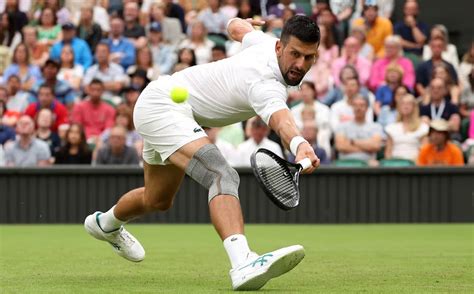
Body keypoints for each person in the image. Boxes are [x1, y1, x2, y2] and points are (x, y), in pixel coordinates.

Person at [84, 15, 320, 291]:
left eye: (308, 57)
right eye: (295, 54)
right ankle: (242, 261)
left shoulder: (262, 42)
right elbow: (282, 121)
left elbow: (235, 26)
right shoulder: (265, 84)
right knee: (221, 174)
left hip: (169, 107)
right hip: (163, 106)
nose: (300, 65)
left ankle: (105, 224)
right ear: (279, 47)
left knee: (157, 199)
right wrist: (299, 144)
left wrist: (242, 21)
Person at [334, 94, 383, 164]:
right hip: (345, 165)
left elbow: (376, 145)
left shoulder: (376, 127)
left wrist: (352, 142)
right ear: (352, 107)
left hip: (368, 165)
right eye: (355, 105)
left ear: (367, 108)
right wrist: (367, 147)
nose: (358, 108)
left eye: (362, 105)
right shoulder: (342, 126)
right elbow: (341, 146)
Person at [291, 81, 331, 155]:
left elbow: (325, 126)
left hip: (319, 138)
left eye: (307, 90)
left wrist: (311, 128)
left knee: (324, 133)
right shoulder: (294, 110)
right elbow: (294, 127)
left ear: (314, 91)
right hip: (301, 137)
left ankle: (323, 156)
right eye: (302, 90)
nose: (305, 93)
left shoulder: (324, 109)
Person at [385, 94, 429, 161]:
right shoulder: (391, 128)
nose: (405, 106)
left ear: (414, 107)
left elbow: (424, 151)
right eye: (403, 104)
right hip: (394, 165)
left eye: (409, 104)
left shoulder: (423, 127)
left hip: (415, 165)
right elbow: (388, 153)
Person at [72, 79, 116, 143]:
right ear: (88, 90)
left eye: (98, 90)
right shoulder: (79, 107)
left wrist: (99, 139)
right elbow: (77, 126)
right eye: (92, 90)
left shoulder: (110, 109)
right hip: (82, 140)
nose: (95, 93)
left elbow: (108, 129)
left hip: (103, 141)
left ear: (103, 91)